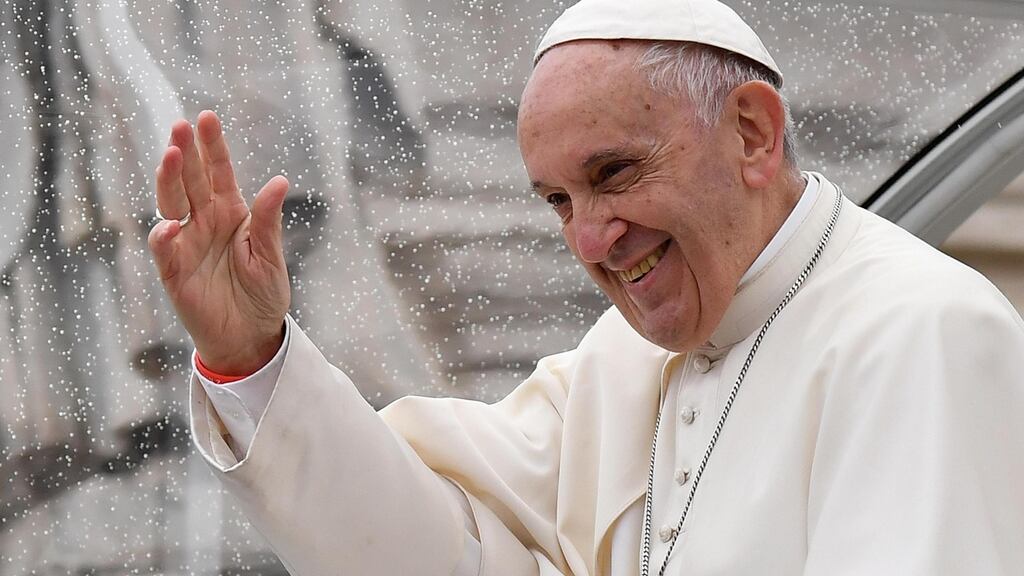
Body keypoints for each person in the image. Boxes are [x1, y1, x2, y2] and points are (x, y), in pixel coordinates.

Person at [147, 0, 1024, 574]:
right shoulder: (623, 362)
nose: (592, 238)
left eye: (615, 172)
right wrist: (250, 356)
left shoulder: (921, 332)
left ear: (752, 134)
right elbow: (446, 555)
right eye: (559, 201)